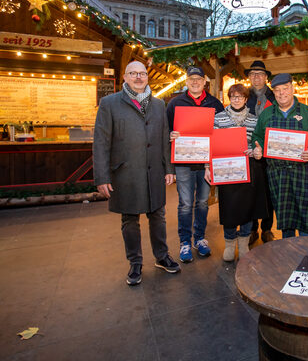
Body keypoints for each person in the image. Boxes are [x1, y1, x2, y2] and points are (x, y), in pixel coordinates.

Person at [93, 60, 179, 286]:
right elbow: (101, 142)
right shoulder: (109, 103)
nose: (138, 77)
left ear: (147, 77)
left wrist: (169, 168)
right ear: (125, 76)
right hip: (126, 173)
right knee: (129, 219)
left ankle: (162, 256)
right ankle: (135, 263)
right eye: (133, 73)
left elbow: (163, 137)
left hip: (154, 171)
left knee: (158, 215)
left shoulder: (159, 104)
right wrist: (102, 177)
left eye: (142, 73)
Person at [166, 66, 224, 263]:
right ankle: (184, 242)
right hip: (183, 162)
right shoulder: (175, 103)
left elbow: (222, 132)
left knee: (201, 202)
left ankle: (199, 238)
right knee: (185, 204)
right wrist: (169, 135)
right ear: (186, 81)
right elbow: (165, 130)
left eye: (199, 78)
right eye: (191, 78)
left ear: (205, 81)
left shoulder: (215, 103)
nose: (195, 82)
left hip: (206, 163)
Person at [209, 84, 269, 261]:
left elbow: (257, 142)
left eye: (240, 97)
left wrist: (254, 150)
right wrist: (208, 167)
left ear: (245, 99)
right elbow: (211, 145)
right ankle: (229, 243)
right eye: (233, 96)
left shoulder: (254, 119)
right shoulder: (218, 118)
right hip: (225, 169)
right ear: (229, 98)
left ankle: (243, 244)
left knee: (247, 207)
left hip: (248, 169)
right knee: (229, 208)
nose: (236, 100)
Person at [251, 73, 308, 238]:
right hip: (277, 174)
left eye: (285, 89)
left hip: (303, 172)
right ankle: (289, 252)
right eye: (277, 90)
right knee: (285, 216)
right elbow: (257, 137)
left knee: (306, 213)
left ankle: (307, 251)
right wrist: (257, 149)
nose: (281, 93)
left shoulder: (307, 112)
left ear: (292, 89)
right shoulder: (266, 114)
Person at [244, 60, 276, 245]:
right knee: (250, 191)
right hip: (248, 150)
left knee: (268, 191)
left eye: (260, 74)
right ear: (249, 77)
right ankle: (251, 229)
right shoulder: (243, 95)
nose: (256, 77)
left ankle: (267, 229)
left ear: (266, 77)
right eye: (253, 74)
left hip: (269, 150)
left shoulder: (274, 96)